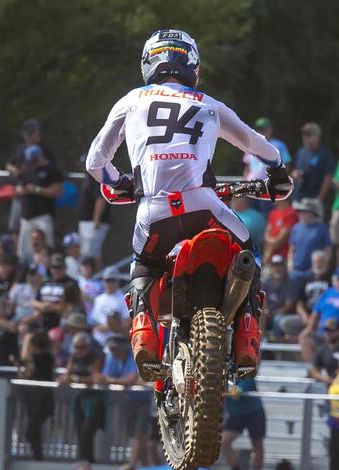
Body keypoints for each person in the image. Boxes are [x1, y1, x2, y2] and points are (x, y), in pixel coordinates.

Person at [81, 28, 289, 375]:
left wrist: (120, 183)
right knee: (247, 250)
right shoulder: (208, 104)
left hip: (153, 211)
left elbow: (94, 164)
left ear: (148, 64)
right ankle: (247, 334)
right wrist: (278, 170)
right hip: (204, 207)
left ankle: (144, 331)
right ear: (193, 67)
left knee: (143, 262)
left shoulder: (131, 100)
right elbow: (255, 144)